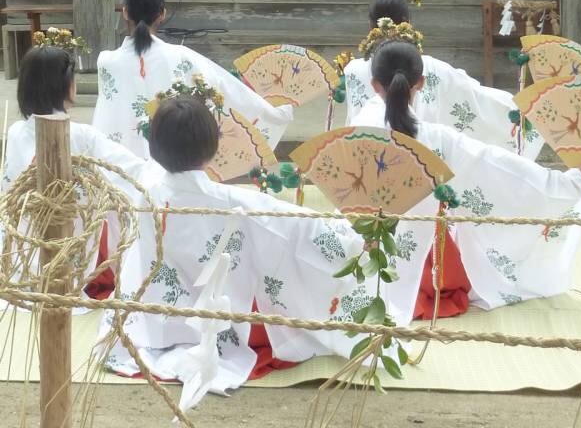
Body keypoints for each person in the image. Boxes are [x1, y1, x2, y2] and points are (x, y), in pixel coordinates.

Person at [97, 96, 413, 403]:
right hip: (214, 318)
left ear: (154, 145)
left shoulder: (143, 192)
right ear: (212, 146)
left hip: (150, 321)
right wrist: (355, 235)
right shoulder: (232, 202)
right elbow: (296, 225)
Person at [352, 40, 581, 315]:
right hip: (431, 270)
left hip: (361, 252)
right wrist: (565, 183)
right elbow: (499, 168)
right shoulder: (437, 139)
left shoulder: (356, 131)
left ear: (373, 85)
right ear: (421, 82)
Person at [3, 45, 154, 300]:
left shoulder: (17, 131)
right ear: (64, 85)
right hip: (69, 252)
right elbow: (131, 171)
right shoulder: (82, 136)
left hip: (21, 252)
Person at [92, 0, 293, 158]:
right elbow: (224, 87)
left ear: (125, 12)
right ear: (162, 14)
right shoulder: (181, 56)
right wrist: (274, 114)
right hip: (169, 160)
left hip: (118, 163)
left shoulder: (106, 62)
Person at [343, 0, 544, 159]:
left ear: (371, 26)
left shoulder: (353, 71)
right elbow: (477, 97)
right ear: (409, 24)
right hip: (422, 169)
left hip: (369, 167)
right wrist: (533, 108)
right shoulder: (430, 68)